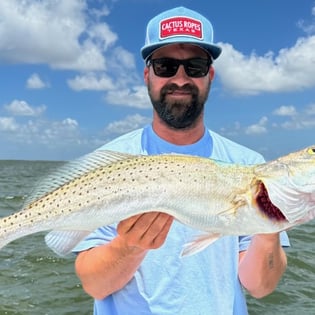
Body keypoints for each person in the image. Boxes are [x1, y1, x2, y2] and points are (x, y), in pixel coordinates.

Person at [74, 6, 289, 315]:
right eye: (165, 66)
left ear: (210, 75)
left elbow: (260, 286)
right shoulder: (106, 166)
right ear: (147, 74)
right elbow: (94, 285)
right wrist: (130, 246)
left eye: (195, 66)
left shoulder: (248, 165)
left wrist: (268, 230)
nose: (180, 78)